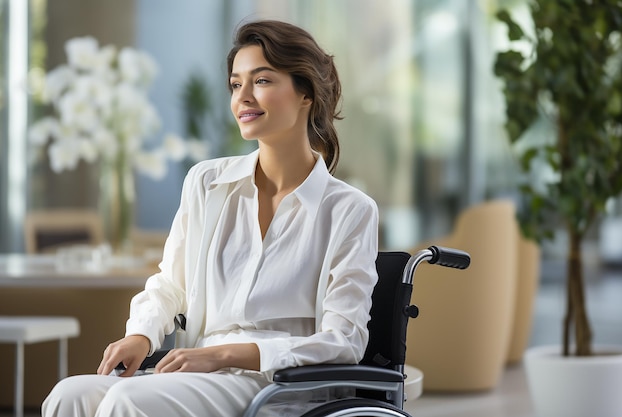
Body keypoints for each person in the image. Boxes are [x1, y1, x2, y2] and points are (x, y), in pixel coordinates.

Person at [42, 19, 378, 417]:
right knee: (70, 394)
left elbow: (344, 340)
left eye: (263, 81)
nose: (243, 98)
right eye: (236, 84)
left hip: (277, 384)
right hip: (198, 371)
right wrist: (142, 335)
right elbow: (171, 284)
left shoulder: (348, 209)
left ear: (305, 93)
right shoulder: (207, 182)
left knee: (126, 399)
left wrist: (226, 354)